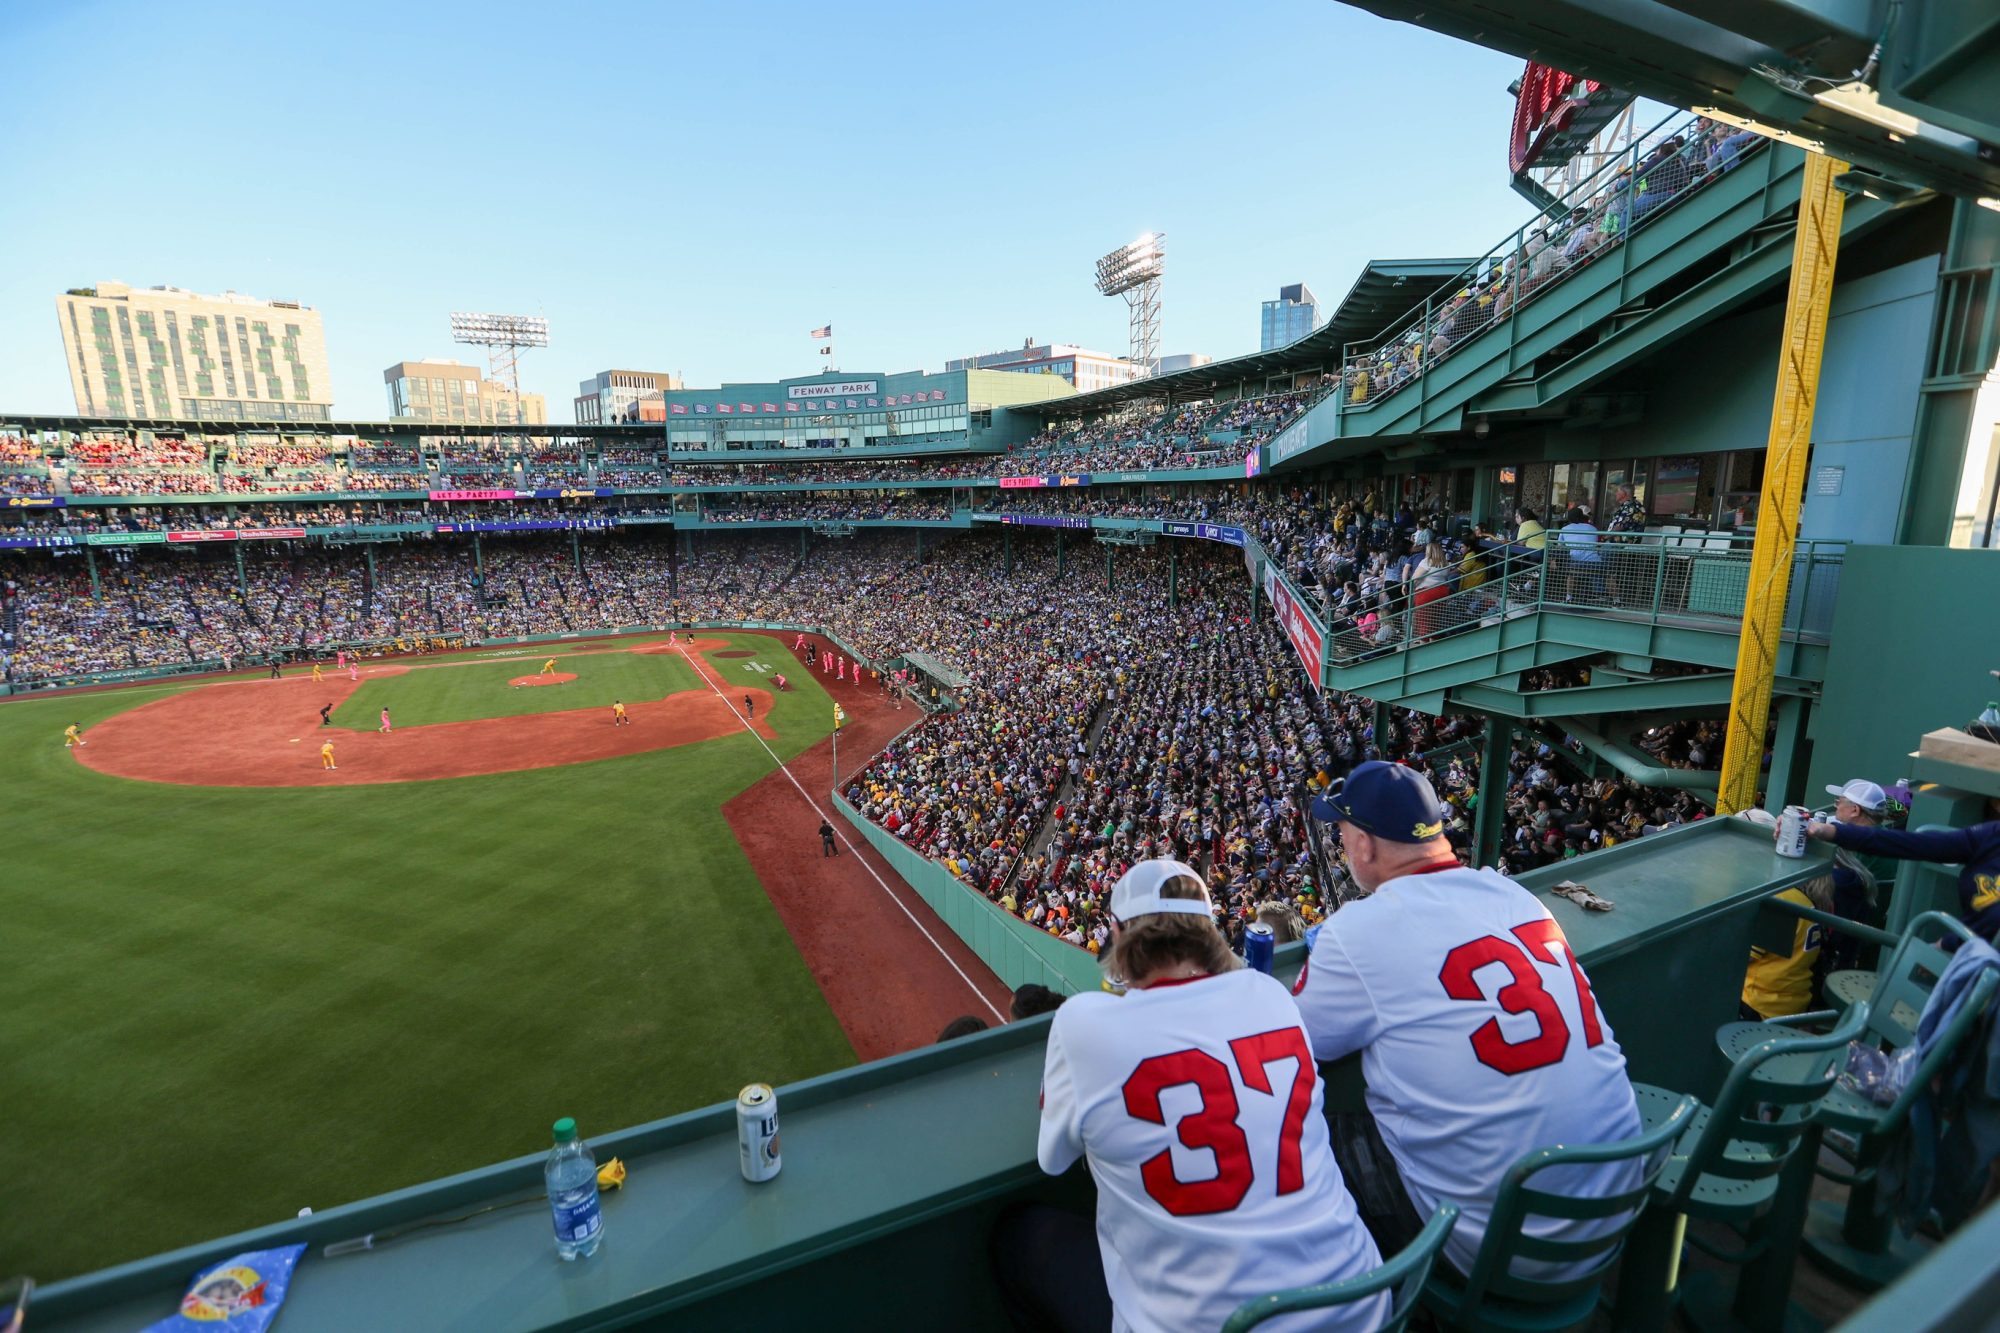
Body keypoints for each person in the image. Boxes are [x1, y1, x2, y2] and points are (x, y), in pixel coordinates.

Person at [1002, 859, 1387, 1333]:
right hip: (1362, 1307)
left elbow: (1053, 1159)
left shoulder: (1084, 1021)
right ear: (1209, 933)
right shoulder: (1270, 995)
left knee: (1018, 1238)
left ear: (1119, 935)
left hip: (1215, 1324)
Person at [1293, 761, 1641, 1275]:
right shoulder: (1514, 895)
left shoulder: (1357, 931)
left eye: (1343, 831)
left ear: (1365, 845)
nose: (1342, 845)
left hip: (1505, 1253)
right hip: (1616, 1212)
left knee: (1330, 1129)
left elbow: (1299, 1040)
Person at [1806, 793, 2000, 942]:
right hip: (1976, 957)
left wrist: (1951, 944)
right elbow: (1913, 843)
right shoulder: (1991, 835)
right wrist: (1830, 831)